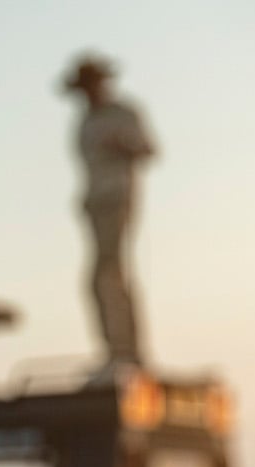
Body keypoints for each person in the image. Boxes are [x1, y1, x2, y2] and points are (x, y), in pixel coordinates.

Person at [63, 52, 157, 366]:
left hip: (117, 198)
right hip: (94, 203)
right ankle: (116, 351)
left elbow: (148, 149)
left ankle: (126, 352)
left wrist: (120, 144)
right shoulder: (84, 121)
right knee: (102, 277)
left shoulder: (123, 113)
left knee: (108, 273)